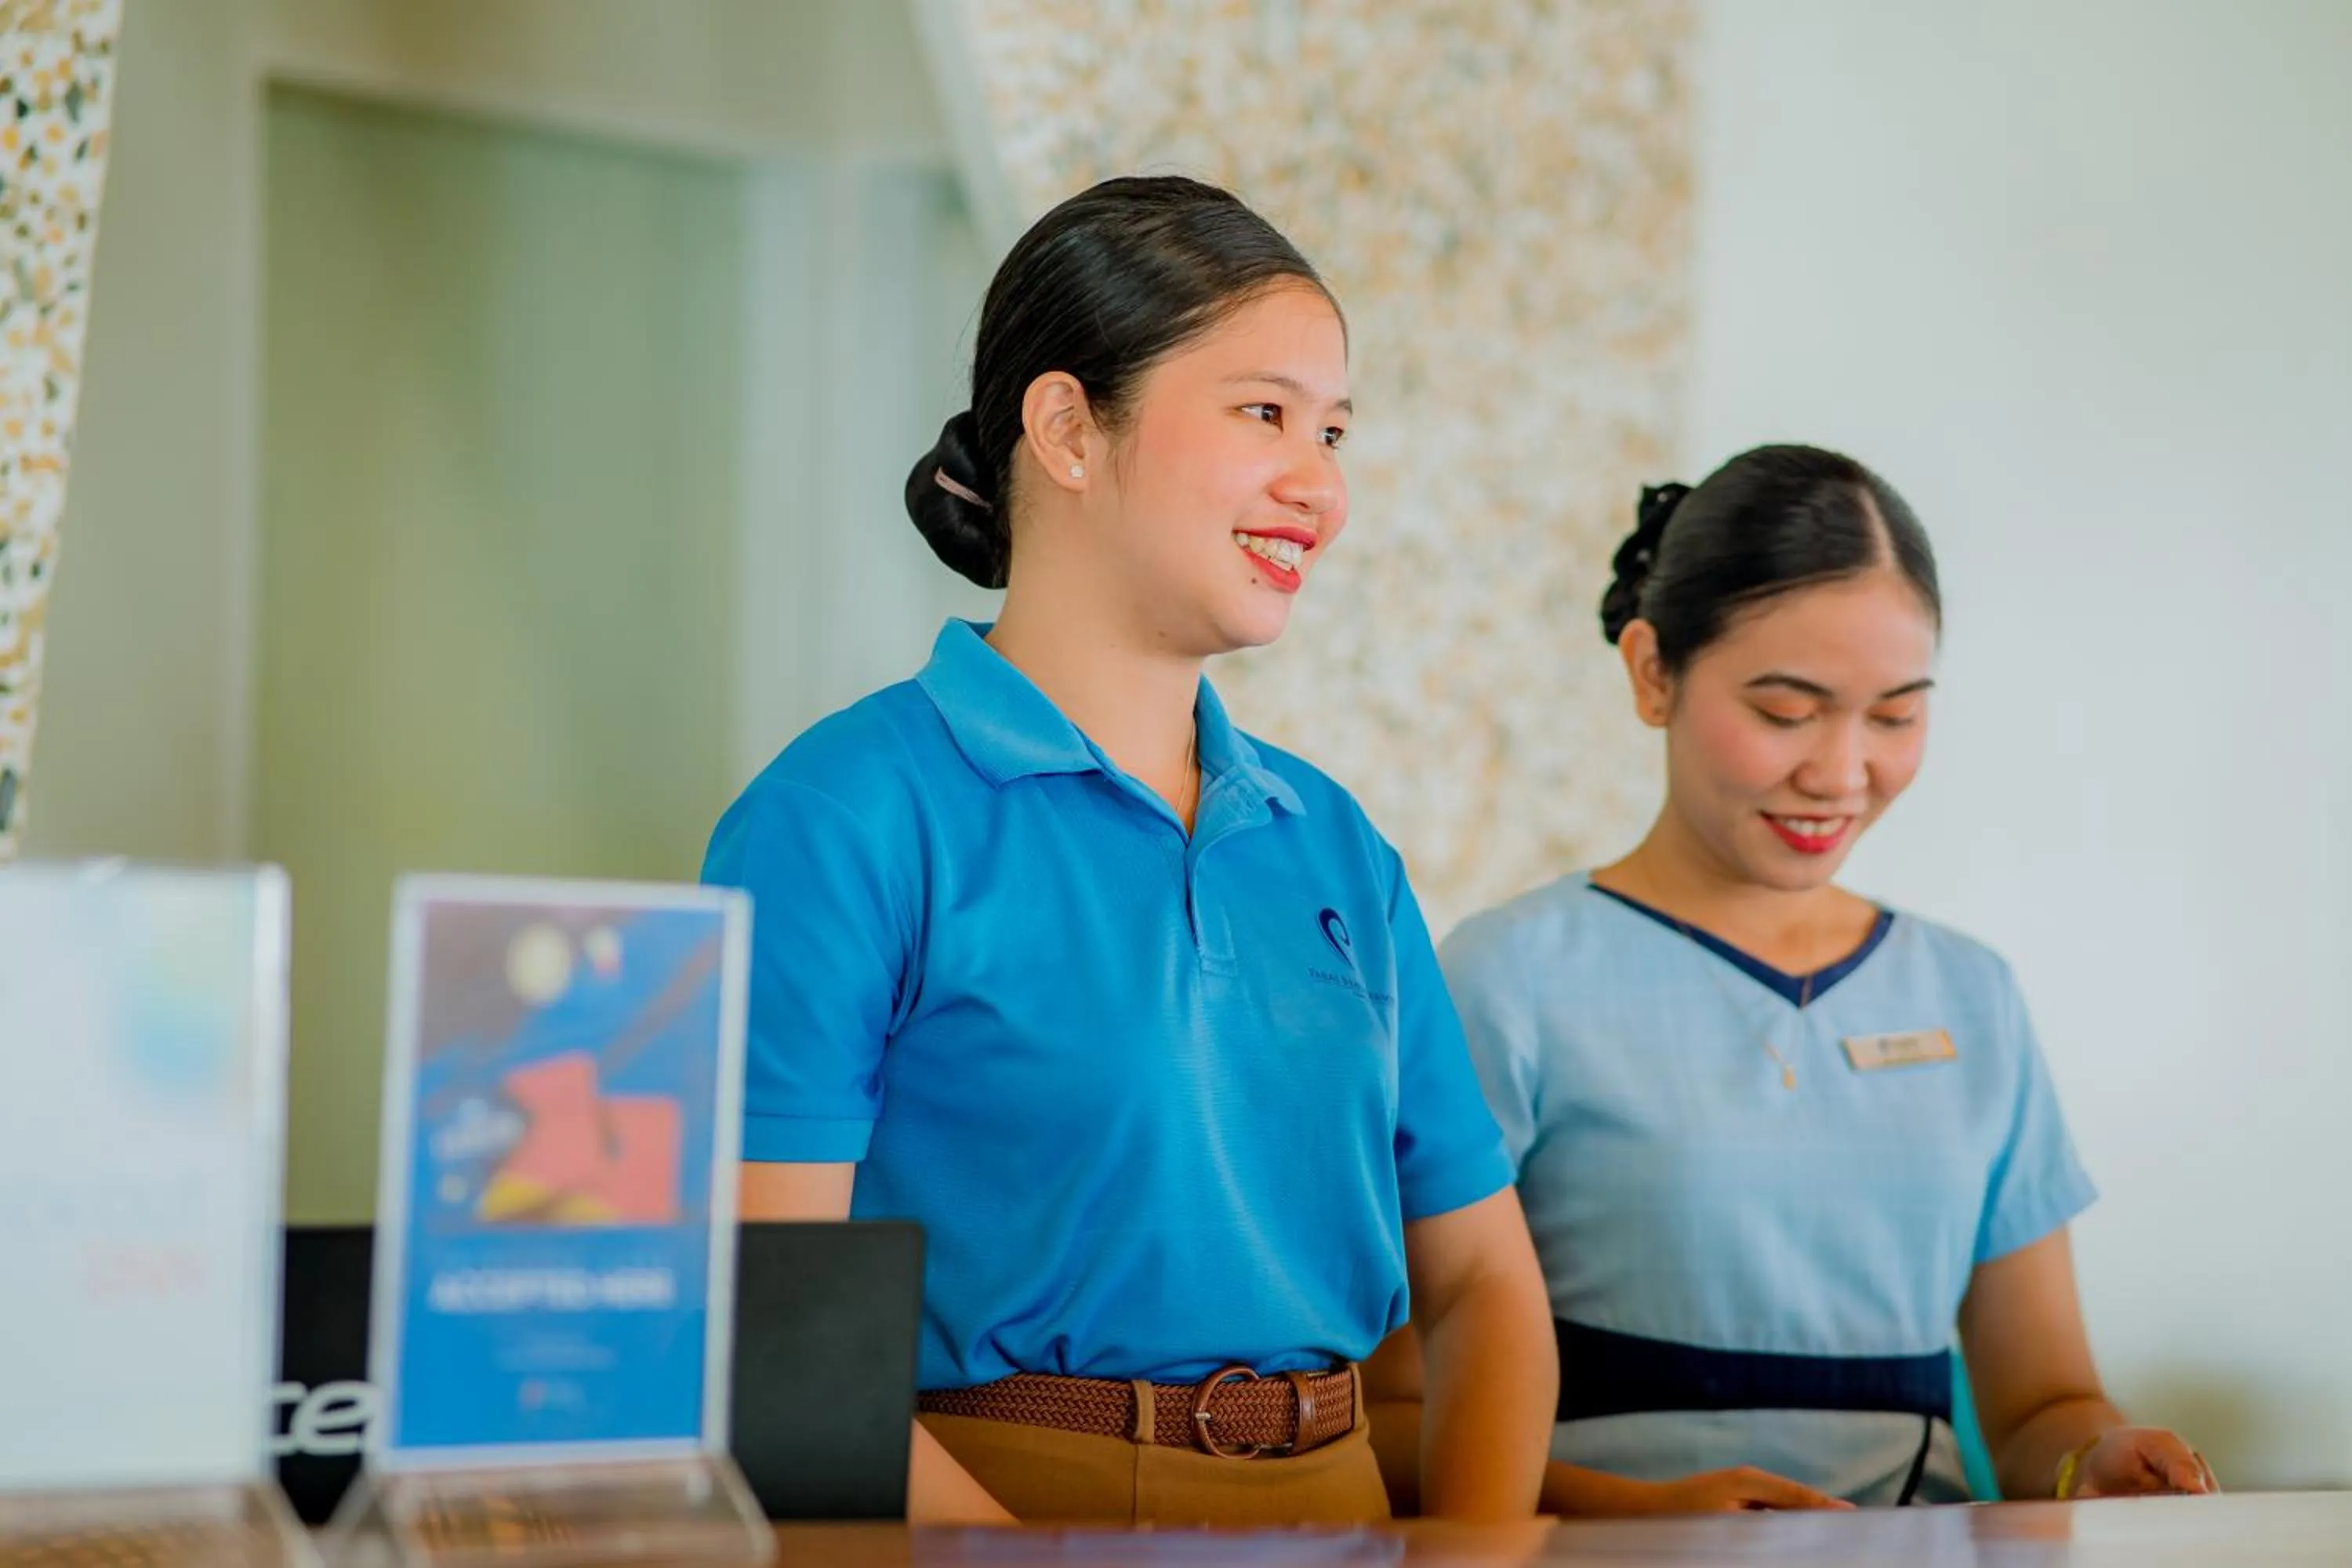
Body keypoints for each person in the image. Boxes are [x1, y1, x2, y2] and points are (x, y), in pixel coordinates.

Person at [701, 176, 1555, 1526]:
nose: (1319, 488)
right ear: (1067, 429)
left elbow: (1486, 1286)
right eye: (1264, 414)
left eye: (1334, 432)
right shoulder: (841, 818)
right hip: (987, 1513)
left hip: (1343, 1507)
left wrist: (1481, 1548)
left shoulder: (1331, 843)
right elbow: (761, 1310)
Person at [1378, 444, 2215, 1512]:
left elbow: (2038, 1406)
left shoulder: (1970, 996)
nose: (1840, 772)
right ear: (1651, 672)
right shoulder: (1511, 977)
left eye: (1897, 715)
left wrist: (2085, 1460)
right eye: (1785, 711)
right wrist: (1635, 1514)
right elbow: (1390, 1419)